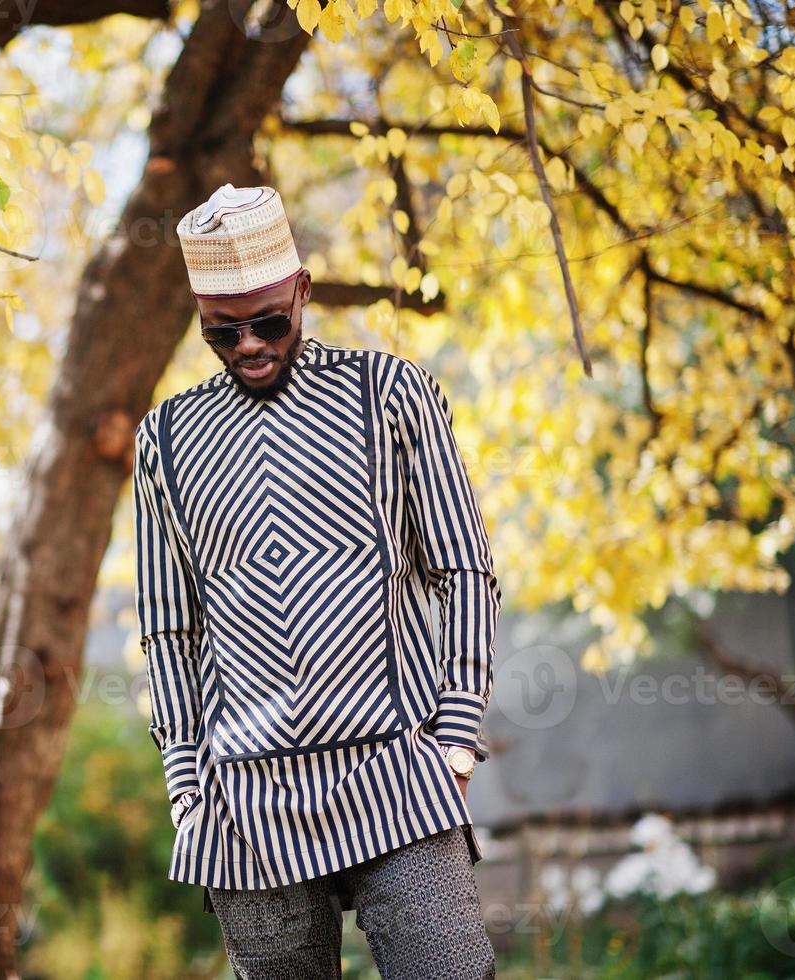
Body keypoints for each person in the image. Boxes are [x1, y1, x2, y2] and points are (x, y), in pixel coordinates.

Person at [132, 183, 500, 978]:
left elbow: (463, 569)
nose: (248, 347)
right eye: (221, 332)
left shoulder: (392, 394)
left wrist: (457, 742)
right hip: (245, 803)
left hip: (398, 776)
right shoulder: (162, 439)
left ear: (302, 290)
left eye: (268, 322)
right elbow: (168, 628)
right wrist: (185, 785)